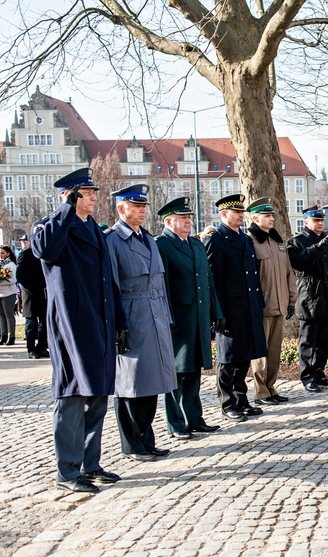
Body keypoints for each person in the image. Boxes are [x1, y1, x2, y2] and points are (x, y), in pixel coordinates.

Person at [31, 167, 123, 493]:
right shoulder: (49, 225)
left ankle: (91, 463)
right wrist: (64, 210)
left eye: (94, 193)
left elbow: (107, 279)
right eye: (88, 193)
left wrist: (119, 321)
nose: (95, 198)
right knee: (72, 394)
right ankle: (67, 471)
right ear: (71, 196)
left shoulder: (95, 229)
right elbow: (44, 250)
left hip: (100, 322)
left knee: (97, 394)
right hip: (71, 325)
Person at [106, 184, 177, 461]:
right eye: (136, 206)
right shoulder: (112, 241)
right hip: (131, 316)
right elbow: (111, 286)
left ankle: (147, 438)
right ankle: (131, 443)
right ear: (121, 208)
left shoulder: (148, 238)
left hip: (155, 314)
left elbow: (160, 281)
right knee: (129, 384)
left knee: (152, 381)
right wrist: (116, 326)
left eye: (143, 206)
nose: (142, 211)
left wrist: (166, 316)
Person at [155, 196, 223, 438]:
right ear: (169, 221)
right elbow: (161, 287)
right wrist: (167, 319)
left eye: (189, 218)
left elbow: (208, 281)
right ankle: (176, 423)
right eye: (183, 218)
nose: (187, 221)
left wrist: (216, 311)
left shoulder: (195, 245)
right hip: (178, 320)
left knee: (194, 370)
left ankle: (195, 418)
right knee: (176, 372)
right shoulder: (162, 245)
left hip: (199, 316)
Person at [204, 194, 267, 420]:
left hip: (248, 306)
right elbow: (211, 279)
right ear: (224, 214)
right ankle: (227, 402)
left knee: (245, 355)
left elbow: (253, 275)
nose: (241, 216)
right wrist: (216, 312)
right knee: (228, 358)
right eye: (236, 213)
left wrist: (258, 302)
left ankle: (242, 398)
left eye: (242, 213)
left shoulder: (246, 239)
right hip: (228, 308)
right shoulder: (216, 239)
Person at [247, 197, 297, 405]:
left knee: (275, 350)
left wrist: (291, 300)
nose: (271, 219)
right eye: (267, 216)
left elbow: (289, 273)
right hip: (263, 305)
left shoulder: (278, 242)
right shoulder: (250, 241)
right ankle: (260, 391)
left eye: (272, 215)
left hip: (279, 303)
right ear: (255, 218)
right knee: (260, 352)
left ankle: (271, 386)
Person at [288, 206, 328, 392]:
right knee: (308, 340)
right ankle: (307, 376)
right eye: (316, 220)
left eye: (321, 221)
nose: (320, 224)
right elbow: (297, 263)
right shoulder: (297, 242)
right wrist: (314, 249)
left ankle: (319, 372)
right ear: (306, 222)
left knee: (324, 339)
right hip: (309, 296)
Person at [16, 234, 49, 358]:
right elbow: (20, 275)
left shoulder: (44, 254)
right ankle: (31, 349)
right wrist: (32, 288)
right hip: (31, 295)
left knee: (44, 323)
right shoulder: (25, 254)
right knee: (31, 324)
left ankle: (41, 347)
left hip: (44, 294)